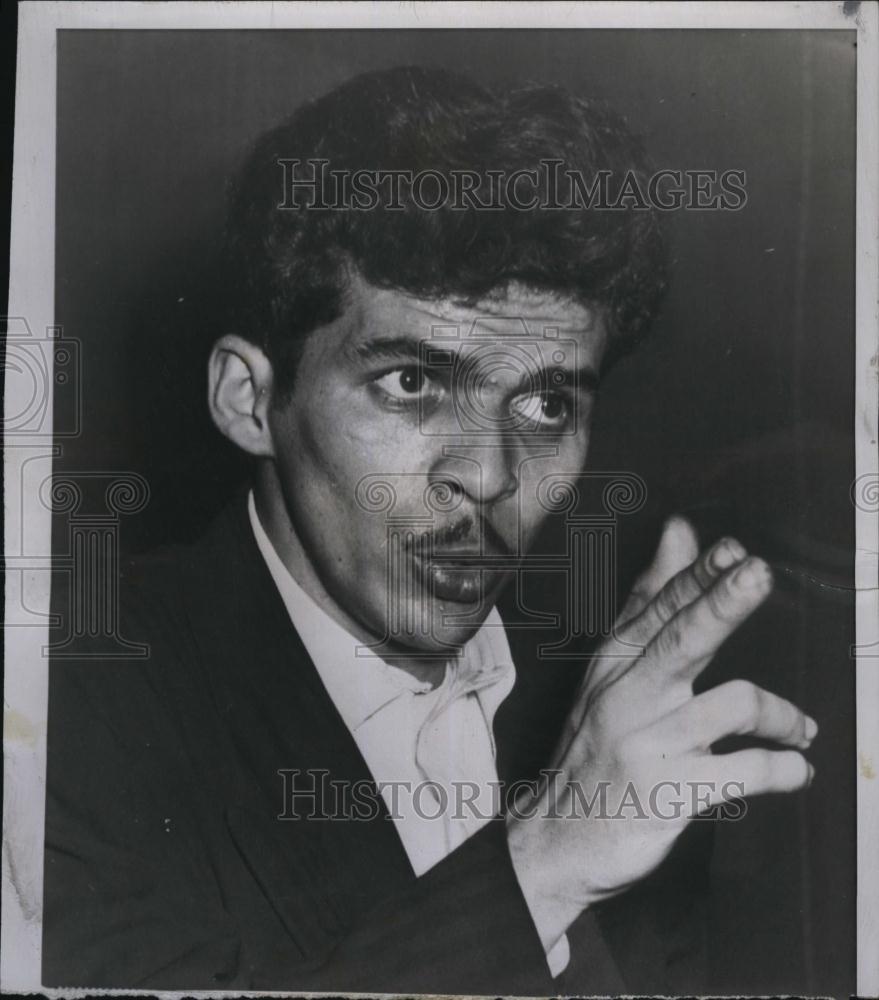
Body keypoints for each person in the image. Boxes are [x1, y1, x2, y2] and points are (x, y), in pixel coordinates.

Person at [43, 65, 816, 994]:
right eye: (411, 384)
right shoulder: (61, 705)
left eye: (544, 404)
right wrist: (544, 864)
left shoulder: (617, 724)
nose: (488, 475)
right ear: (250, 400)